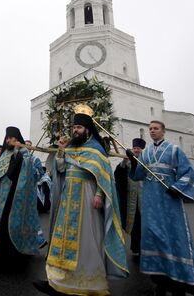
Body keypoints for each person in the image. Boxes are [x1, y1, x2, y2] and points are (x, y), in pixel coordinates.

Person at [34, 108, 128, 296]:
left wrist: (100, 195)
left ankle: (88, 284)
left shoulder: (96, 149)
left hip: (87, 196)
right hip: (68, 198)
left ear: (88, 129)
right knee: (63, 241)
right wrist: (60, 152)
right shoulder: (70, 147)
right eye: (74, 127)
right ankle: (57, 282)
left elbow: (104, 176)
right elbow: (60, 169)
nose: (75, 130)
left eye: (78, 127)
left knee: (87, 240)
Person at [127, 120, 194, 296]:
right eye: (150, 129)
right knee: (154, 236)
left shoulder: (174, 150)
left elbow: (189, 172)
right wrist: (133, 162)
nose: (152, 131)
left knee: (173, 235)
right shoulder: (145, 153)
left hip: (169, 199)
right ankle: (160, 278)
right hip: (150, 201)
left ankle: (180, 279)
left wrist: (177, 187)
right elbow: (138, 176)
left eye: (155, 128)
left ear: (163, 131)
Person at [0, 127, 41, 272]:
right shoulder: (5, 154)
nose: (8, 140)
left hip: (14, 198)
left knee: (8, 229)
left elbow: (18, 174)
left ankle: (11, 262)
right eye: (7, 138)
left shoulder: (24, 154)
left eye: (12, 138)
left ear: (17, 138)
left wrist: (19, 153)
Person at [115, 137, 145, 255]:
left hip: (144, 198)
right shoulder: (126, 162)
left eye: (138, 148)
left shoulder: (146, 161)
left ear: (142, 150)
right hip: (131, 199)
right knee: (135, 224)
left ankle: (147, 248)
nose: (136, 150)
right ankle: (136, 248)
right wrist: (123, 163)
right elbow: (118, 175)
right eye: (135, 148)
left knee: (145, 223)